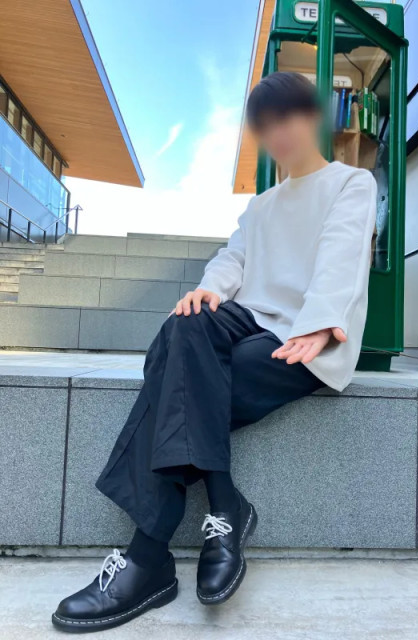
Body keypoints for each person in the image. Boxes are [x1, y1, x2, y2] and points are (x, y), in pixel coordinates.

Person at [52, 71, 377, 633]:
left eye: (289, 117)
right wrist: (208, 290)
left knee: (177, 374)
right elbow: (233, 259)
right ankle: (225, 506)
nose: (279, 132)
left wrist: (322, 323)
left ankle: (148, 556)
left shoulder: (351, 183)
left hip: (303, 334)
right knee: (183, 327)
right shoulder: (261, 205)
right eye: (266, 124)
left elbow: (341, 255)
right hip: (248, 318)